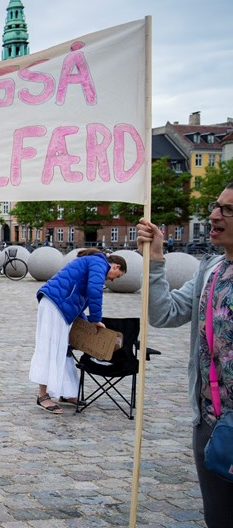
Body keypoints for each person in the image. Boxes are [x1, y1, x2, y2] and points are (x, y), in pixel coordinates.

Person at [138, 193, 233, 526]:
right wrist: (155, 260)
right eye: (215, 207)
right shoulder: (210, 270)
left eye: (227, 210)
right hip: (212, 423)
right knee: (220, 519)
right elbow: (165, 313)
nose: (214, 215)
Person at [29, 248, 126, 414]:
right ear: (115, 266)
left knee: (63, 349)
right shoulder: (99, 263)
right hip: (55, 304)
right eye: (116, 276)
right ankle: (42, 395)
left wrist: (86, 322)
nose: (112, 280)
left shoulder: (94, 263)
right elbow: (94, 291)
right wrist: (96, 319)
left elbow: (79, 298)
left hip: (58, 304)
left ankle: (67, 393)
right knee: (50, 347)